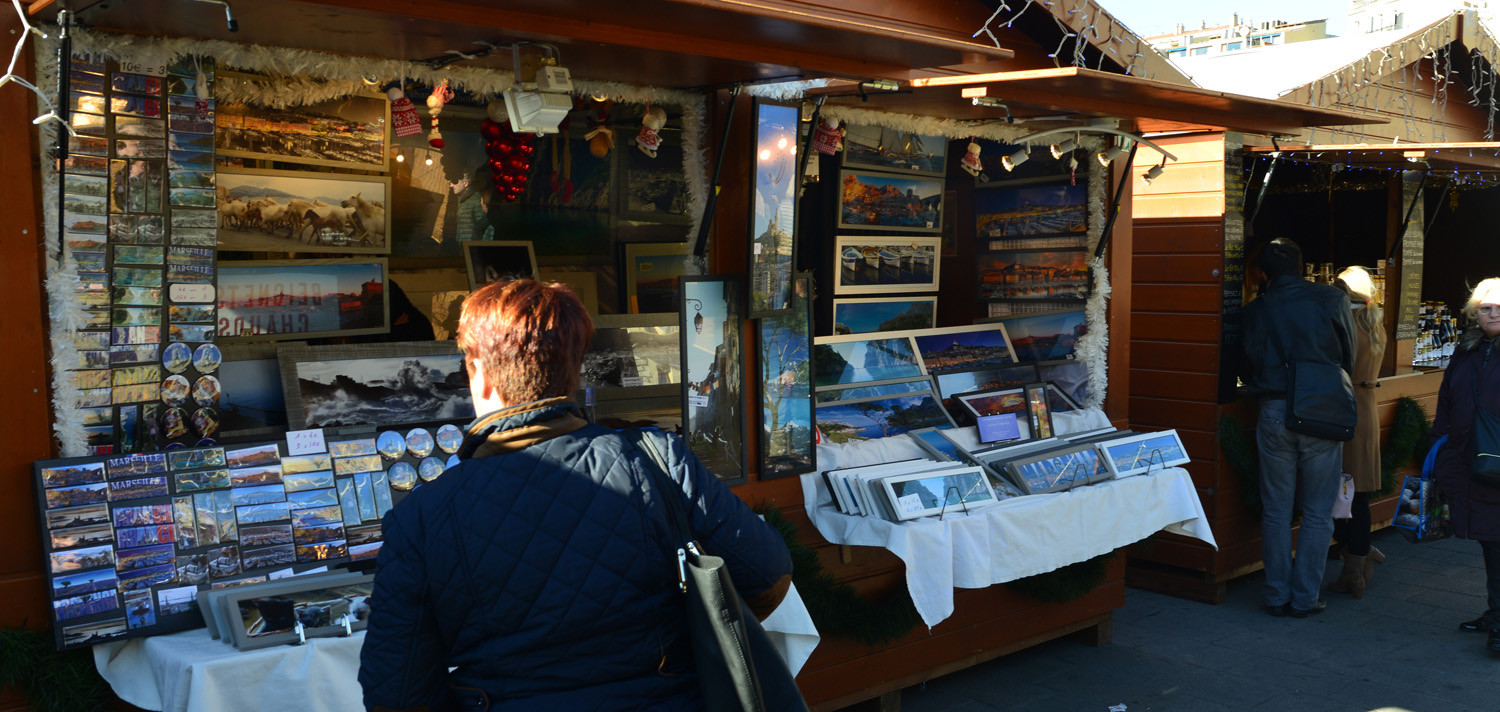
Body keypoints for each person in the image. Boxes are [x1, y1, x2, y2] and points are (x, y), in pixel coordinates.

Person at [359, 279, 795, 710]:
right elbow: (769, 579)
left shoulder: (421, 517)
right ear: (576, 367)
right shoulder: (657, 461)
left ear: (476, 372)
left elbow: (395, 696)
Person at [1241, 238, 1356, 618]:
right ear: (1302, 267)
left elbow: (1247, 364)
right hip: (1321, 406)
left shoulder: (1256, 309)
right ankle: (1305, 597)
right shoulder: (1331, 299)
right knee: (1318, 511)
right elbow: (1347, 358)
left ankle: (1277, 595)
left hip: (1273, 407)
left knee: (1276, 510)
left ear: (1264, 272)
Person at [1430, 277, 1500, 654]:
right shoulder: (1468, 348)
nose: (1494, 313)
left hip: (1498, 460)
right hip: (1470, 457)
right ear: (1475, 312)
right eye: (1487, 307)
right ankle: (1495, 613)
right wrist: (1439, 442)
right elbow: (1447, 396)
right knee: (1491, 540)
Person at [1328, 266, 1388, 598]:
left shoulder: (1342, 323)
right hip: (1367, 407)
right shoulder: (1374, 323)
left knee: (1334, 490)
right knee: (1359, 493)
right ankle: (1361, 557)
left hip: (1343, 408)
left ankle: (1356, 563)